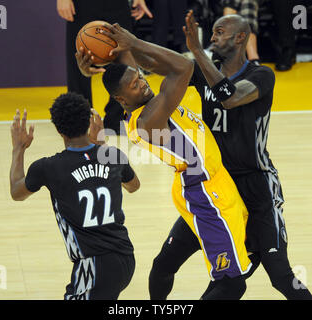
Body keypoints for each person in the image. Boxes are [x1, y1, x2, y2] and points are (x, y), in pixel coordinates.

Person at [76, 20, 253, 299]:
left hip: (195, 186)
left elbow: (126, 66)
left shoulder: (140, 103)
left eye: (141, 77)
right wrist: (134, 41)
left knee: (162, 267)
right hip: (208, 195)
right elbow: (184, 67)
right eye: (136, 84)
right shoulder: (149, 119)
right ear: (122, 99)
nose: (144, 83)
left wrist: (103, 63)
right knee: (233, 282)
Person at [149, 10, 312, 300]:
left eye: (219, 32)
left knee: (281, 276)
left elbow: (231, 97)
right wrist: (125, 47)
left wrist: (197, 51)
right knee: (164, 264)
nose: (212, 37)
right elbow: (161, 63)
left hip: (256, 187)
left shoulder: (262, 75)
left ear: (240, 38)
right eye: (211, 32)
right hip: (216, 188)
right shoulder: (204, 70)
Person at [9, 92, 140, 300]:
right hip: (125, 256)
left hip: (94, 265)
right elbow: (134, 186)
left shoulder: (48, 167)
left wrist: (18, 148)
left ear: (58, 130)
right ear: (89, 122)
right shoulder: (112, 155)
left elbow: (17, 192)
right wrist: (100, 147)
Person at [56, 0, 152, 134]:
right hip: (81, 4)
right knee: (80, 58)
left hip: (118, 5)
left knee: (124, 56)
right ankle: (78, 120)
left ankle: (117, 119)